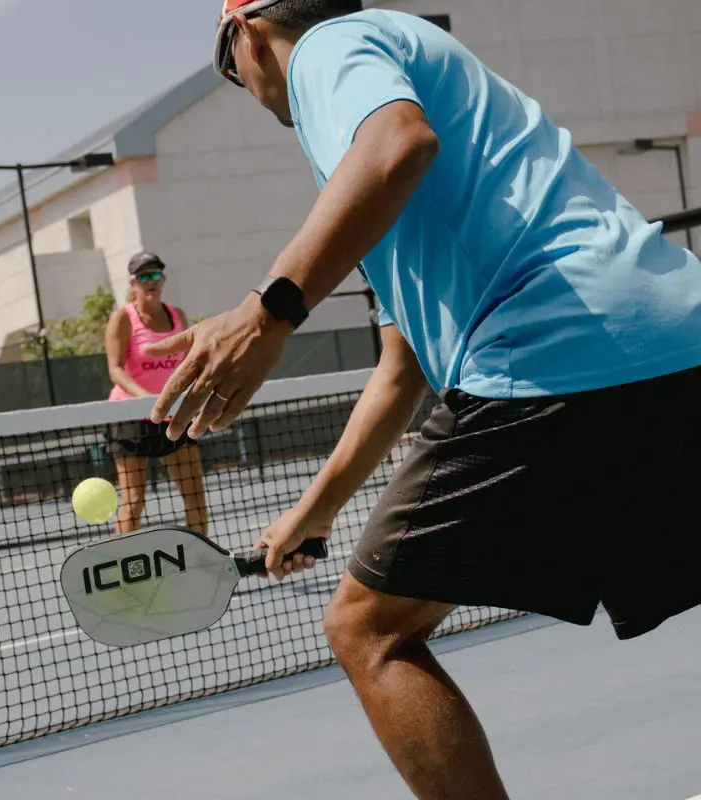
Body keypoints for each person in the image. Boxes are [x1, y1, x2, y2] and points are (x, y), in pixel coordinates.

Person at [142, 2, 701, 798]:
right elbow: (403, 369)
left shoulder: (331, 50)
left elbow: (398, 143)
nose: (241, 83)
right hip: (680, 338)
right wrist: (315, 510)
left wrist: (266, 313)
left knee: (367, 631)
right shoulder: (425, 126)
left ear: (252, 34)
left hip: (549, 350)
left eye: (228, 67)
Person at [104, 252, 209, 536]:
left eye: (155, 275)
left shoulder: (178, 316)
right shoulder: (122, 318)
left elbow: (190, 364)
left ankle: (202, 565)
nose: (150, 281)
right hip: (130, 417)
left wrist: (190, 398)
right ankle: (121, 569)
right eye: (143, 276)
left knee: (196, 499)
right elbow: (115, 370)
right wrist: (147, 400)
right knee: (134, 501)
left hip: (172, 416)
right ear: (132, 283)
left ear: (163, 280)